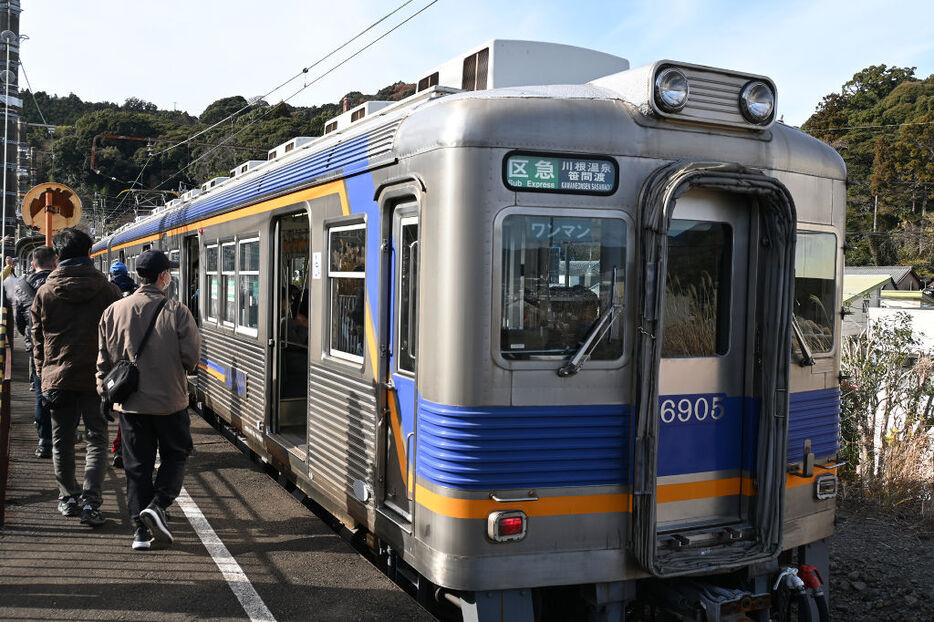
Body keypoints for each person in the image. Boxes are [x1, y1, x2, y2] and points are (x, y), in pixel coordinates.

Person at [97, 249, 200, 551]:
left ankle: (140, 533)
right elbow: (191, 359)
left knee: (137, 466)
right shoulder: (177, 311)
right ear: (163, 276)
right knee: (176, 455)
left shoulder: (113, 311)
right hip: (170, 402)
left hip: (130, 405)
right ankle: (159, 503)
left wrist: (104, 394)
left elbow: (103, 362)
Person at [31, 229, 122, 527]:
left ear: (58, 257)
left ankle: (68, 497)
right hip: (98, 378)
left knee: (62, 441)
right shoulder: (108, 290)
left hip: (57, 377)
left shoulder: (44, 292)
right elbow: (118, 337)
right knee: (97, 440)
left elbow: (37, 341)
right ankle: (91, 503)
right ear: (90, 253)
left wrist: (43, 374)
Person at [13, 246, 58, 458]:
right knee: (66, 391)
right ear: (54, 263)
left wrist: (31, 338)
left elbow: (19, 321)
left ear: (33, 264)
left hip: (37, 348)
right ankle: (64, 435)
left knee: (41, 393)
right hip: (63, 346)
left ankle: (44, 440)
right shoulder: (60, 282)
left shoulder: (21, 286)